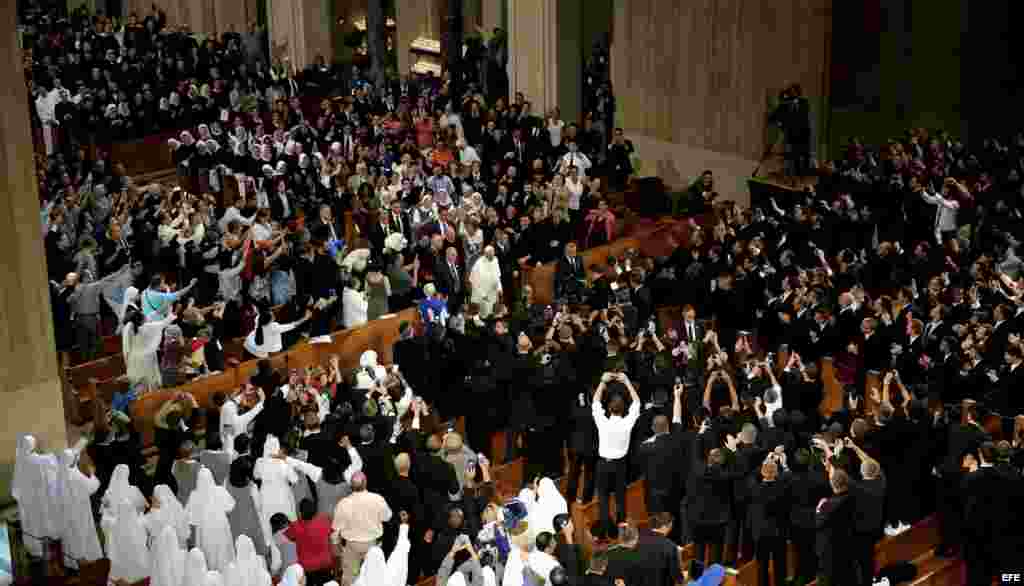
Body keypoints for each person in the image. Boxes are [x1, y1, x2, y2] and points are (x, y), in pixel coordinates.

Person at [592, 371, 641, 525]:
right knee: (620, 496)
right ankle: (621, 525)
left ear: (609, 409)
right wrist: (627, 382)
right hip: (620, 465)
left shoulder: (603, 422)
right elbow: (637, 403)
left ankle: (605, 527)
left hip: (603, 465)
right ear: (623, 409)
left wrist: (602, 382)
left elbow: (595, 402)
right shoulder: (627, 422)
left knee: (603, 497)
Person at [332, 471, 393, 586]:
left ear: (351, 486)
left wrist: (336, 545)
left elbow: (336, 528)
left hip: (351, 545)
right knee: (374, 574)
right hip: (372, 544)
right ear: (365, 483)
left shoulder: (343, 503)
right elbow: (388, 517)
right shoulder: (377, 499)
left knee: (350, 576)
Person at [12, 434, 60, 558]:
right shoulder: (38, 460)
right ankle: (47, 551)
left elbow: (16, 490)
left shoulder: (20, 463)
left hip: (28, 504)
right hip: (40, 500)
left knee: (32, 526)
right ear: (32, 446)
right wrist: (47, 450)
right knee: (43, 522)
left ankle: (36, 551)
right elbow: (51, 463)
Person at [54, 448, 102, 570]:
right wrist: (92, 474)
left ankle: (72, 563)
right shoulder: (74, 475)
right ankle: (88, 564)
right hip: (79, 513)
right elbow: (92, 487)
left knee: (71, 538)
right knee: (83, 537)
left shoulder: (60, 474)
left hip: (66, 514)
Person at [187, 466, 237, 572]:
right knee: (222, 552)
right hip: (220, 525)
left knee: (207, 553)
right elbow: (231, 506)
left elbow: (191, 519)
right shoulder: (220, 490)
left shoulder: (194, 495)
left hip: (204, 529)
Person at [122, 309, 177, 391]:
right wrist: (174, 313)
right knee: (149, 383)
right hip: (146, 359)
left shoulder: (128, 331)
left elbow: (126, 350)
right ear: (141, 319)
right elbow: (164, 323)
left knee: (137, 385)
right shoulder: (147, 328)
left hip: (133, 359)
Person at [286, 498, 335, 586]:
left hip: (307, 568)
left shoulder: (295, 526)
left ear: (300, 512)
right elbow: (331, 532)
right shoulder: (325, 521)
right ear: (315, 510)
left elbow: (287, 536)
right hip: (325, 563)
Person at [106, 498, 152, 584]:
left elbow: (111, 548)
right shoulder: (138, 525)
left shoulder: (114, 526)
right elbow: (143, 542)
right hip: (139, 565)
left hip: (120, 564)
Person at [244, 306, 312, 358]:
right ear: (269, 320)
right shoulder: (274, 327)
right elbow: (293, 325)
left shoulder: (258, 318)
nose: (274, 314)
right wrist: (305, 318)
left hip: (249, 344)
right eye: (272, 315)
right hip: (260, 352)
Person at [469, 245, 502, 318]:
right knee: (483, 316)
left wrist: (499, 288)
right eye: (489, 255)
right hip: (481, 293)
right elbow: (474, 281)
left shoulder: (495, 260)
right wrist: (483, 295)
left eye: (493, 254)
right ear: (485, 254)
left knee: (493, 314)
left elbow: (497, 276)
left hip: (492, 292)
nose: (492, 257)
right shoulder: (478, 264)